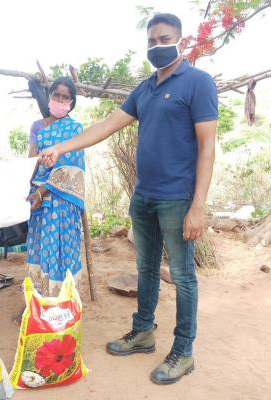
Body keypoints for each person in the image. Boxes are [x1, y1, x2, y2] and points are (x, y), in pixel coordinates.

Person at [40, 14, 218, 384]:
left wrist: (198, 206)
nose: (157, 46)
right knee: (147, 269)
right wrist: (60, 147)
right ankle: (143, 332)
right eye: (151, 41)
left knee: (183, 276)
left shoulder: (198, 83)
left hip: (177, 199)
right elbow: (106, 126)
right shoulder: (145, 88)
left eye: (164, 39)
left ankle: (183, 351)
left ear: (181, 42)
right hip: (145, 197)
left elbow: (207, 147)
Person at [27, 77, 85, 297]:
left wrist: (43, 191)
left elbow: (72, 168)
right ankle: (40, 300)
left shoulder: (75, 129)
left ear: (71, 101)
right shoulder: (37, 127)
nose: (60, 100)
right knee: (41, 250)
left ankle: (63, 301)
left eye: (65, 97)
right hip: (38, 203)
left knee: (63, 252)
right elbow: (30, 161)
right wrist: (30, 191)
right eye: (56, 95)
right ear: (49, 96)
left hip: (63, 200)